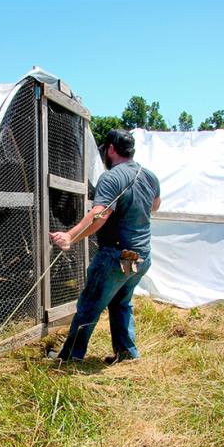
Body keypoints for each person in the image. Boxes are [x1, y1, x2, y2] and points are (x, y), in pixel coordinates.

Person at [49, 129, 160, 364]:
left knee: (90, 305)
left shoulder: (112, 177)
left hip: (117, 256)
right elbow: (155, 205)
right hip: (140, 256)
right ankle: (126, 353)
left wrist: (69, 236)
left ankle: (70, 358)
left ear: (110, 149)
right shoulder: (150, 176)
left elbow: (99, 215)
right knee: (121, 302)